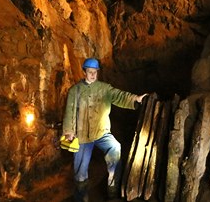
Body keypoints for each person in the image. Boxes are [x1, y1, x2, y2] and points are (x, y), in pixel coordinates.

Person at [62, 57, 147, 201]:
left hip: (101, 132)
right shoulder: (74, 91)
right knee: (80, 172)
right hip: (82, 135)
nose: (93, 75)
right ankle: (81, 197)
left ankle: (112, 189)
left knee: (115, 148)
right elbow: (69, 112)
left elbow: (119, 96)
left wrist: (135, 99)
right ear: (84, 72)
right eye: (90, 72)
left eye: (95, 72)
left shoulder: (104, 88)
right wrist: (69, 132)